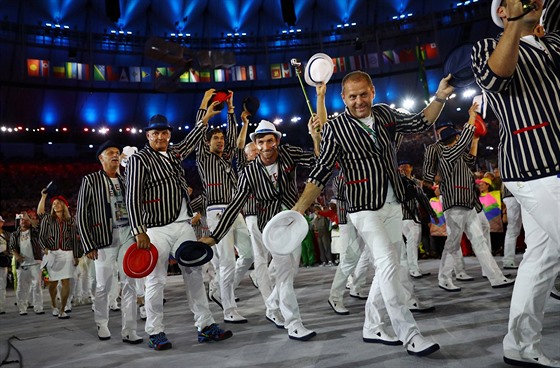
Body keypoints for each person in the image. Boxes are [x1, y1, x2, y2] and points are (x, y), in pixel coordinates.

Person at [292, 70, 455, 357]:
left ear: (373, 92)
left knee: (388, 266)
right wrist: (299, 209)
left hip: (393, 203)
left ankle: (372, 324)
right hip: (361, 207)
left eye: (363, 94)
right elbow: (321, 170)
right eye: (352, 96)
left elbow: (421, 121)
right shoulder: (336, 128)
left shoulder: (384, 115)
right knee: (390, 264)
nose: (358, 101)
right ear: (343, 98)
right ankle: (410, 333)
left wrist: (440, 96)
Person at [472, 1, 560, 366]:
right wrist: (516, 21)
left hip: (553, 165)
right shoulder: (486, 48)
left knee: (542, 257)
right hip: (533, 166)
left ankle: (520, 345)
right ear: (503, 12)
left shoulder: (553, 43)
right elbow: (496, 77)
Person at [200, 113, 322, 341]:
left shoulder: (289, 153)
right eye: (261, 142)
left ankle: (272, 307)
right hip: (270, 226)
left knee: (291, 269)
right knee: (284, 273)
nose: (266, 146)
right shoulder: (248, 172)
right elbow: (235, 205)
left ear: (277, 140)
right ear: (255, 143)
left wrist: (315, 138)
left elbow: (319, 161)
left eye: (270, 141)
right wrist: (214, 237)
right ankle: (294, 323)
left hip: (292, 220)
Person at [125, 108, 232, 351]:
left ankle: (205, 326)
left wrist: (204, 118)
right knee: (156, 280)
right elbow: (132, 196)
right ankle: (155, 332)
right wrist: (138, 230)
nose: (160, 137)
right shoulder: (139, 160)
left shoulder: (173, 153)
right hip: (155, 228)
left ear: (169, 135)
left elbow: (193, 138)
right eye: (155, 134)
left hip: (183, 224)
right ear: (147, 136)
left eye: (164, 133)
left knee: (194, 273)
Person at [436, 103, 514, 292]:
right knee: (453, 242)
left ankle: (496, 277)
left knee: (479, 240)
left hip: (468, 204)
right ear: (454, 140)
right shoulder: (446, 155)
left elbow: (471, 156)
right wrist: (471, 116)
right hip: (454, 205)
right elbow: (464, 142)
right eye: (456, 137)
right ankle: (444, 278)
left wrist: (476, 140)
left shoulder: (458, 155)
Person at [195, 89, 253, 323]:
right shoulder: (203, 157)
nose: (220, 140)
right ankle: (229, 309)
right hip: (217, 212)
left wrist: (231, 109)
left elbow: (232, 136)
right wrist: (204, 104)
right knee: (227, 260)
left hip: (234, 211)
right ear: (207, 143)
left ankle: (219, 287)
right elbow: (199, 128)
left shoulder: (226, 159)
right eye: (215, 138)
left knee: (249, 254)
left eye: (221, 138)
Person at [76, 141, 142, 343]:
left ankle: (129, 329)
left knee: (129, 283)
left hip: (127, 234)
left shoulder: (126, 180)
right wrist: (88, 244)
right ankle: (102, 323)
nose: (115, 155)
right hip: (104, 238)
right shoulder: (91, 180)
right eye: (110, 152)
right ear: (101, 158)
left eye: (117, 152)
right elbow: (81, 214)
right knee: (103, 285)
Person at [37, 193, 80, 319]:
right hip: (52, 253)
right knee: (53, 283)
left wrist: (76, 256)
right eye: (54, 204)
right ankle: (54, 305)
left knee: (66, 281)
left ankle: (62, 309)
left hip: (67, 253)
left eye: (58, 203)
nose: (55, 205)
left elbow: (74, 239)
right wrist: (44, 247)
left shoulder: (71, 220)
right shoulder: (48, 219)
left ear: (64, 205)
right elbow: (41, 235)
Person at [9, 212, 44, 315]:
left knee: (37, 286)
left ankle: (38, 307)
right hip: (22, 264)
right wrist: (17, 256)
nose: (23, 221)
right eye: (22, 220)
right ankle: (22, 308)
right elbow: (12, 247)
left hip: (36, 262)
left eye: (26, 219)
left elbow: (38, 225)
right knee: (21, 287)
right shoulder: (15, 234)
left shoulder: (35, 231)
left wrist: (28, 217)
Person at [0, 216, 10, 314]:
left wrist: (7, 254)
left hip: (2, 262)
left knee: (2, 285)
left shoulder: (6, 234)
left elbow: (12, 246)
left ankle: (1, 307)